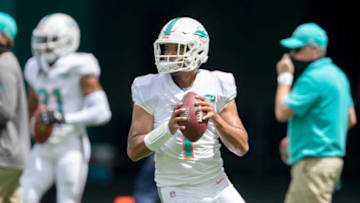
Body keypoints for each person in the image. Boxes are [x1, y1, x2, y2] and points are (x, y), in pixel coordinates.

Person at [127, 17, 249, 203]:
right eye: (166, 48)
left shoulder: (218, 83)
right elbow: (134, 151)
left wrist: (216, 118)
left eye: (176, 48)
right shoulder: (148, 87)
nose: (168, 54)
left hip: (216, 183)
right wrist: (167, 129)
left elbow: (241, 147)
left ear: (198, 49)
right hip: (177, 187)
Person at [20, 13, 112, 203]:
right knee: (24, 196)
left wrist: (63, 118)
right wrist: (30, 129)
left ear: (69, 39)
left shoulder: (80, 65)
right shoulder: (33, 66)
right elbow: (32, 106)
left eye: (52, 40)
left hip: (70, 144)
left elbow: (102, 112)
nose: (45, 46)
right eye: (42, 40)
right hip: (43, 144)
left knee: (67, 199)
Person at [275, 22, 357, 203]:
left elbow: (282, 112)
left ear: (313, 50)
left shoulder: (313, 78)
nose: (291, 55)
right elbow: (350, 119)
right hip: (331, 162)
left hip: (313, 163)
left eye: (296, 49)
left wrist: (284, 76)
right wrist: (304, 137)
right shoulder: (339, 75)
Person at [0, 12, 30, 203]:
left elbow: (5, 110)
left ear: (4, 35)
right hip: (12, 156)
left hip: (4, 155)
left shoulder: (4, 65)